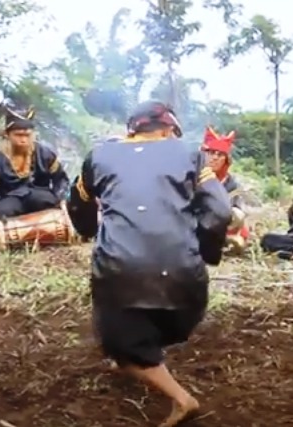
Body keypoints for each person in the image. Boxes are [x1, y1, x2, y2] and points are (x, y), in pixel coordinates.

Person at [67, 100, 231, 427]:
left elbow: (78, 202)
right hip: (186, 285)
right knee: (149, 320)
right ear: (169, 130)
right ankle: (140, 347)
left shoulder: (99, 156)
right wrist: (204, 254)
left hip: (121, 273)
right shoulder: (190, 155)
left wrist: (88, 231)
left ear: (131, 130)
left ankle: (181, 399)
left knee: (116, 340)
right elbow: (221, 212)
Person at [0, 106, 69, 229]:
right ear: (7, 135)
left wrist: (62, 198)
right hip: (10, 199)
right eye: (18, 135)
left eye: (27, 135)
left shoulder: (45, 154)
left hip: (41, 198)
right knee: (3, 212)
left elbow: (61, 179)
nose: (23, 140)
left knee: (45, 201)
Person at [200, 126, 248, 254]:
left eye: (220, 154)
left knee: (238, 217)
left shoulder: (231, 184)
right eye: (211, 153)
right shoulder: (191, 177)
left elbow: (236, 214)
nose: (215, 158)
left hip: (219, 225)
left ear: (226, 160)